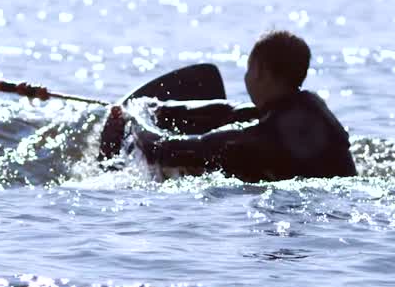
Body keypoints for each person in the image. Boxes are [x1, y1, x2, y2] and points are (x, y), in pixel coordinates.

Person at [100, 31, 357, 182]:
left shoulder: (259, 139)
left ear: (261, 73)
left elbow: (165, 150)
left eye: (248, 69)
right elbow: (233, 111)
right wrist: (160, 109)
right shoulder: (310, 107)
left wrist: (135, 120)